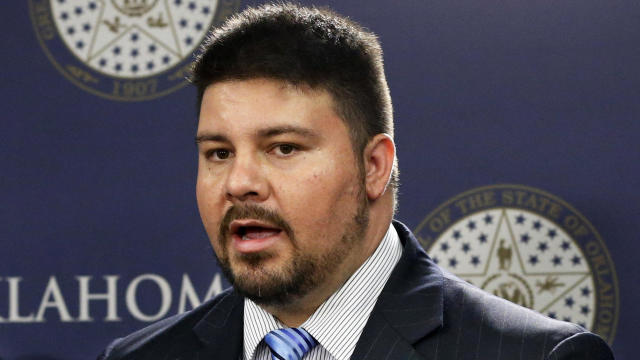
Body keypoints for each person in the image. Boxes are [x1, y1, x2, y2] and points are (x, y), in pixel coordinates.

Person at [98, 3, 614, 360]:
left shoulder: (534, 355)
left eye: (283, 148)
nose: (239, 182)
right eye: (218, 152)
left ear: (374, 167)